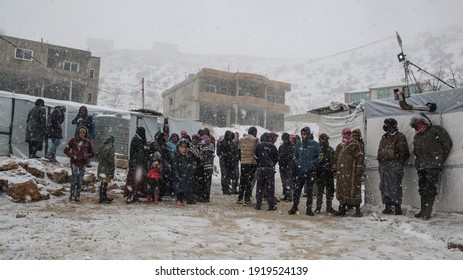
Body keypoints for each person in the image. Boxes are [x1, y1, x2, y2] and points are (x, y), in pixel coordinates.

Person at [410, 113, 452, 220]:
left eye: (420, 123)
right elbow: (416, 151)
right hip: (422, 166)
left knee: (430, 188)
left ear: (425, 122)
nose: (418, 126)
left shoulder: (436, 130)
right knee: (422, 188)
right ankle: (423, 209)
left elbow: (447, 144)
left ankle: (427, 211)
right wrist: (418, 163)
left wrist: (439, 158)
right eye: (416, 124)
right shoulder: (417, 136)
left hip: (433, 165)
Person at [377, 118, 410, 215]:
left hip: (394, 165)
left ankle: (397, 207)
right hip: (384, 165)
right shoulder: (384, 137)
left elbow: (404, 152)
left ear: (392, 126)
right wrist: (380, 160)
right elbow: (380, 150)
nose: (385, 126)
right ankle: (387, 206)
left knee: (395, 186)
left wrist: (398, 163)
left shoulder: (400, 136)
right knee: (384, 186)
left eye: (387, 124)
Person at [288, 127, 321, 216]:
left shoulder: (315, 145)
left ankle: (309, 209)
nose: (303, 136)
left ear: (309, 134)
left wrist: (314, 163)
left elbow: (321, 155)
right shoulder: (299, 145)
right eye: (302, 134)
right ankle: (294, 207)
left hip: (311, 171)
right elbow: (294, 156)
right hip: (301, 171)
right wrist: (297, 163)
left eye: (305, 134)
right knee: (297, 190)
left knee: (309, 191)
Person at [333, 128, 364, 217]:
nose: (348, 135)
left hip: (352, 172)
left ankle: (357, 211)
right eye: (346, 133)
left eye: (349, 133)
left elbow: (359, 157)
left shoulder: (355, 144)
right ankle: (342, 209)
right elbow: (335, 158)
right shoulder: (340, 146)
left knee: (354, 189)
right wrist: (334, 169)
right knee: (342, 189)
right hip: (341, 173)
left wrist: (358, 169)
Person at [63, 126, 95, 202]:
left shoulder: (88, 142)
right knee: (74, 179)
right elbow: (65, 150)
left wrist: (86, 156)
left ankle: (78, 196)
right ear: (78, 132)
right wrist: (72, 156)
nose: (82, 134)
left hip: (83, 163)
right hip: (74, 163)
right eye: (80, 132)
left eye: (83, 133)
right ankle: (72, 195)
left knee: (80, 180)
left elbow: (92, 153)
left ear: (85, 134)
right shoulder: (73, 140)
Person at [254, 133, 278, 211]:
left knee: (259, 186)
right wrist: (271, 164)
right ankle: (271, 205)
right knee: (270, 188)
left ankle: (258, 204)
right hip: (270, 169)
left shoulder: (258, 146)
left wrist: (259, 163)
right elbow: (276, 158)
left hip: (261, 168)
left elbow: (255, 156)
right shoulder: (273, 147)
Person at [125, 127, 149, 203]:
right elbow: (138, 151)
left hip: (138, 164)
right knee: (133, 180)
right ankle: (130, 195)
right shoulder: (136, 140)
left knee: (136, 180)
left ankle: (134, 195)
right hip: (136, 164)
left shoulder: (139, 140)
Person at [315, 133, 337, 214]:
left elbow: (334, 161)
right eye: (323, 139)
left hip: (328, 173)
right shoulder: (317, 149)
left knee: (330, 191)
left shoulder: (330, 149)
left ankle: (329, 207)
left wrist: (333, 170)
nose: (325, 140)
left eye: (326, 139)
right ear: (319, 139)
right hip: (320, 173)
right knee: (320, 191)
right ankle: (318, 207)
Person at [237, 127, 259, 205]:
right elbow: (257, 151)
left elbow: (238, 151)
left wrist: (242, 159)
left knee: (242, 180)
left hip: (243, 163)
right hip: (252, 163)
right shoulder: (256, 140)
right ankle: (247, 198)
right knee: (249, 181)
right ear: (254, 132)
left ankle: (240, 198)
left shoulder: (241, 139)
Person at [173, 139, 196, 207]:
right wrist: (177, 174)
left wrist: (190, 174)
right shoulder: (177, 155)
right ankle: (178, 199)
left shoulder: (189, 155)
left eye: (184, 147)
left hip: (186, 175)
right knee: (179, 188)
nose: (183, 148)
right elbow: (175, 166)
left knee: (186, 188)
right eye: (181, 147)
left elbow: (191, 165)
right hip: (179, 174)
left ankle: (184, 200)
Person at [217, 130, 239, 195]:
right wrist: (225, 156)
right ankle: (225, 189)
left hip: (230, 162)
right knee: (225, 175)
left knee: (232, 175)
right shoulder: (221, 143)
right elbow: (218, 153)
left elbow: (235, 153)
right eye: (229, 135)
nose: (230, 137)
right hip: (224, 161)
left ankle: (232, 189)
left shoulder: (233, 144)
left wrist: (234, 158)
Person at [97, 136, 115, 204]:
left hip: (101, 167)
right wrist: (112, 168)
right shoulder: (110, 147)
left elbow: (98, 156)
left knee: (102, 183)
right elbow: (111, 160)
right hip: (107, 167)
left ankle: (102, 197)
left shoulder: (101, 145)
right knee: (105, 183)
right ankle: (103, 197)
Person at [278, 132, 294, 202]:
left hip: (288, 166)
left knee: (288, 182)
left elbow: (294, 156)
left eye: (285, 139)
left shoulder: (292, 146)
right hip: (283, 166)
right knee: (284, 182)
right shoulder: (281, 146)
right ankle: (286, 195)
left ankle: (289, 196)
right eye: (283, 139)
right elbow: (278, 155)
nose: (284, 140)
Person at [198, 134, 215, 202]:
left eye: (202, 140)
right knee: (207, 182)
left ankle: (205, 197)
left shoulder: (207, 147)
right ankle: (206, 196)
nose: (201, 142)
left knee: (206, 183)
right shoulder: (210, 146)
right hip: (209, 167)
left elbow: (204, 157)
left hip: (206, 167)